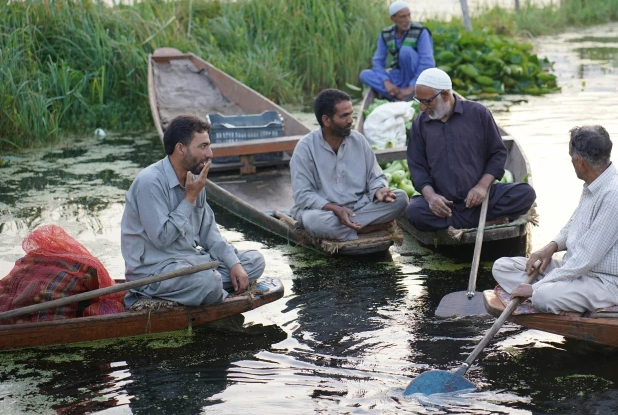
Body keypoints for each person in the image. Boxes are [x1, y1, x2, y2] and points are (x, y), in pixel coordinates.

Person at [492, 125, 618, 314]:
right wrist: (551, 247)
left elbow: (585, 259)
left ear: (580, 161)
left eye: (571, 156)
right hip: (577, 271)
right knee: (502, 267)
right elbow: (575, 223)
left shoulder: (615, 194)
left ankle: (547, 292)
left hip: (605, 282)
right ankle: (555, 290)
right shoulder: (595, 182)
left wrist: (536, 288)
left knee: (543, 296)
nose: (571, 161)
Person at [121, 115, 265, 308]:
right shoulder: (150, 182)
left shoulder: (194, 179)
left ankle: (208, 290)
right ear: (181, 149)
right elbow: (162, 238)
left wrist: (234, 264)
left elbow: (209, 234)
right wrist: (189, 198)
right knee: (207, 281)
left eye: (209, 146)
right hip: (155, 273)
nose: (210, 153)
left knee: (254, 261)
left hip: (191, 263)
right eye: (203, 146)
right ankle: (211, 290)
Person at [405, 67, 537, 232]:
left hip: (482, 200)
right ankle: (484, 222)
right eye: (420, 101)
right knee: (414, 211)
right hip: (445, 206)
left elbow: (498, 153)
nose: (422, 108)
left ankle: (462, 223)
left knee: (525, 193)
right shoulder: (419, 125)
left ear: (445, 95)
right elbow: (417, 168)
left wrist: (481, 187)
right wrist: (431, 197)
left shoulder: (478, 113)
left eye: (427, 101)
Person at [290, 89, 409, 241]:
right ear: (326, 120)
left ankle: (348, 229)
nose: (351, 120)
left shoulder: (359, 141)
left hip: (360, 207)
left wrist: (379, 190)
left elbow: (375, 177)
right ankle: (369, 227)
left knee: (401, 198)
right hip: (326, 213)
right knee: (312, 220)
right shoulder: (305, 148)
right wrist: (334, 208)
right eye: (344, 116)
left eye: (351, 114)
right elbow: (302, 194)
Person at [359, 1, 436, 101]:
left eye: (409, 15)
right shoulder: (386, 34)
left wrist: (411, 87)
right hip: (398, 77)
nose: (407, 20)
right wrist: (387, 82)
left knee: (406, 52)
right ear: (393, 19)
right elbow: (378, 61)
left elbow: (427, 62)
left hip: (417, 77)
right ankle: (399, 96)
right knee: (365, 74)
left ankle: (408, 93)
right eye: (403, 17)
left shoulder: (421, 31)